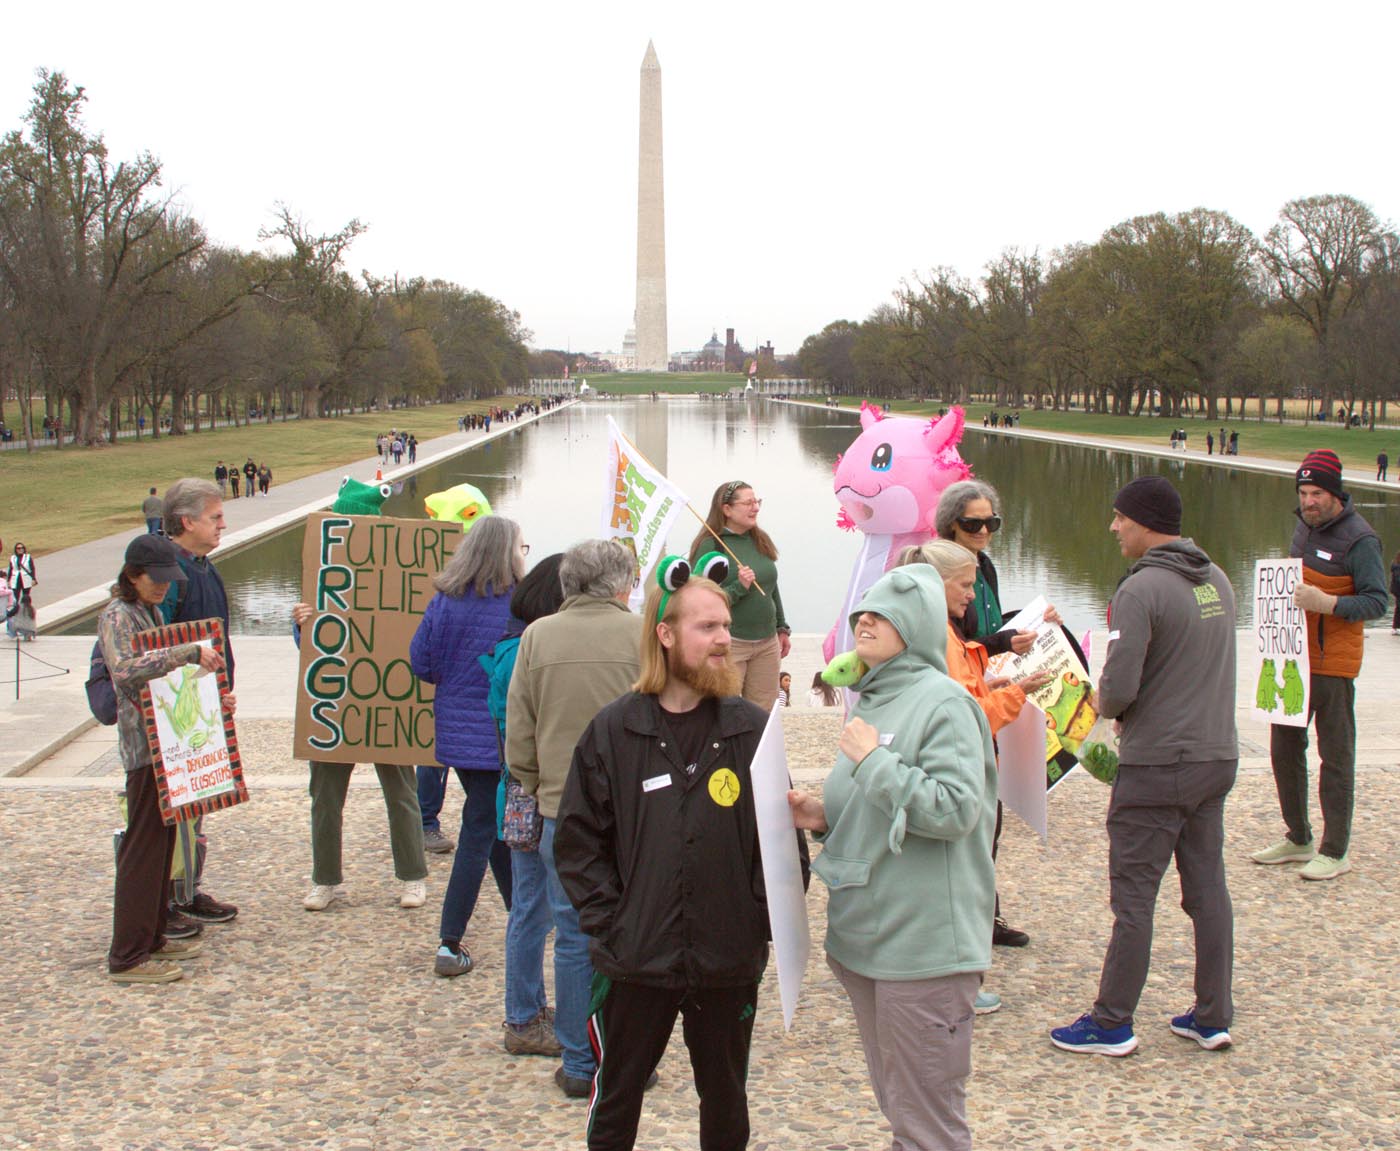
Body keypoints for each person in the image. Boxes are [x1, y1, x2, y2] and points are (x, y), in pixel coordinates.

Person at [556, 564, 807, 1149]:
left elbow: (784, 851)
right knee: (616, 1101)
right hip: (635, 961)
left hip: (726, 962)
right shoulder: (615, 730)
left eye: (725, 626)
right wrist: (614, 926)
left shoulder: (750, 730)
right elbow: (577, 840)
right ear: (665, 635)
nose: (724, 638)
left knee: (725, 1103)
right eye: (707, 627)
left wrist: (754, 923)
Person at [788, 564, 996, 1151]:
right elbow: (881, 803)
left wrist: (874, 763)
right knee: (902, 1106)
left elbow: (957, 810)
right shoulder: (876, 698)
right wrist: (822, 814)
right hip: (867, 942)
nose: (866, 622)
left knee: (929, 1122)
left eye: (883, 614)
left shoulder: (945, 705)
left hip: (922, 950)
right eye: (863, 614)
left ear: (921, 625)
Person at [1050, 475, 1238, 1057]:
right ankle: (1213, 1016)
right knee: (1208, 890)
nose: (1112, 527)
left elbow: (1120, 690)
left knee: (1134, 898)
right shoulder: (1219, 580)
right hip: (1216, 756)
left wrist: (1089, 696)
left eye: (1119, 517)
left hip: (1158, 764)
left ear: (1145, 522)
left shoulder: (1141, 589)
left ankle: (1111, 1023)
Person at [505, 540, 643, 1095]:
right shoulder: (643, 634)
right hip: (636, 809)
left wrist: (537, 786)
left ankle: (579, 1063)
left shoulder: (537, 636)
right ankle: (626, 1055)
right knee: (634, 931)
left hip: (562, 806)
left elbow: (520, 728)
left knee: (572, 932)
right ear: (620, 585)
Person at [898, 538, 1055, 1012]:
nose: (972, 595)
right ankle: (953, 985)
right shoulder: (939, 638)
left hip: (959, 765)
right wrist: (1016, 693)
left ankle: (941, 976)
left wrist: (994, 680)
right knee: (958, 881)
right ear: (938, 584)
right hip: (959, 767)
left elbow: (960, 692)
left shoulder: (934, 630)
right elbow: (962, 716)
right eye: (965, 585)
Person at [102, 535, 231, 984]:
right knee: (141, 850)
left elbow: (169, 681)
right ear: (132, 575)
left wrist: (212, 702)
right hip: (143, 750)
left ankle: (153, 936)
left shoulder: (150, 611)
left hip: (167, 746)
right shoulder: (118, 615)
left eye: (166, 579)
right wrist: (186, 652)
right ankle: (127, 955)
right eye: (154, 579)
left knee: (162, 847)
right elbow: (125, 671)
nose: (162, 587)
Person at [936, 479, 1059, 948]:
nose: (985, 530)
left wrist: (1029, 622)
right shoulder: (945, 572)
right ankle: (970, 922)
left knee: (990, 814)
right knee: (976, 815)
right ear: (951, 525)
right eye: (974, 523)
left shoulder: (981, 566)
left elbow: (983, 627)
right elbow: (956, 641)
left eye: (992, 522)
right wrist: (1004, 642)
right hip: (971, 694)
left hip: (988, 686)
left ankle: (985, 915)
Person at [1253, 450, 1387, 880]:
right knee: (1284, 750)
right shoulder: (1303, 526)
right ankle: (1299, 837)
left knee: (1336, 756)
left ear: (1336, 493)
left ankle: (1335, 849)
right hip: (1291, 660)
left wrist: (1328, 602)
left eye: (1316, 493)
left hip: (1333, 666)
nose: (1308, 501)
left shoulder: (1360, 539)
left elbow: (1378, 602)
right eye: (1304, 492)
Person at [410, 515, 523, 975]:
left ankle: (523, 910)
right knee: (479, 830)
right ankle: (449, 941)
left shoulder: (446, 599)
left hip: (457, 733)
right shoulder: (519, 603)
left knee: (490, 820)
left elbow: (421, 663)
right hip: (497, 733)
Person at [479, 553, 569, 1061]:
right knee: (533, 911)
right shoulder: (525, 651)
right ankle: (522, 1017)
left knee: (531, 909)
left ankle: (530, 1008)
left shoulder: (515, 645)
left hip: (517, 792)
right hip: (528, 793)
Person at [291, 599, 429, 913]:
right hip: (335, 704)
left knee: (402, 793)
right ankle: (324, 878)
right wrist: (302, 626)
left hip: (388, 702)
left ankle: (413, 875)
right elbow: (313, 649)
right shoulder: (329, 585)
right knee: (325, 797)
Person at [159, 479, 240, 926]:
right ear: (187, 521)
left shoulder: (205, 566)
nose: (222, 525)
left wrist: (224, 688)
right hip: (176, 714)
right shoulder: (168, 573)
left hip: (206, 706)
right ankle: (166, 900)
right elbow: (156, 643)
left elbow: (218, 635)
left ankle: (186, 889)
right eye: (215, 518)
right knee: (172, 811)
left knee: (197, 804)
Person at [689, 480, 791, 710]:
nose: (755, 508)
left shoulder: (759, 539)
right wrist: (739, 587)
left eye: (757, 502)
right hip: (730, 643)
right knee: (726, 711)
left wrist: (781, 628)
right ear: (726, 509)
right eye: (748, 503)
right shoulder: (711, 546)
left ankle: (756, 748)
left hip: (767, 643)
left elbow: (771, 586)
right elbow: (698, 602)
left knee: (762, 714)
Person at [5, 542, 37, 640]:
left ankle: (26, 610)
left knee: (26, 597)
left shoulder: (28, 557)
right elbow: (11, 569)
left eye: (22, 548)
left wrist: (33, 578)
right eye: (18, 548)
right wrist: (9, 580)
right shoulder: (13, 558)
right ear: (16, 549)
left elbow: (32, 568)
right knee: (16, 597)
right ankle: (18, 610)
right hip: (16, 579)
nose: (20, 549)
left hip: (25, 578)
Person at [1391, 550, 1400, 635]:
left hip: (1396, 590)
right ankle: (1395, 627)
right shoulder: (1397, 567)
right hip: (1398, 591)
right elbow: (1398, 579)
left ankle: (1395, 627)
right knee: (1398, 608)